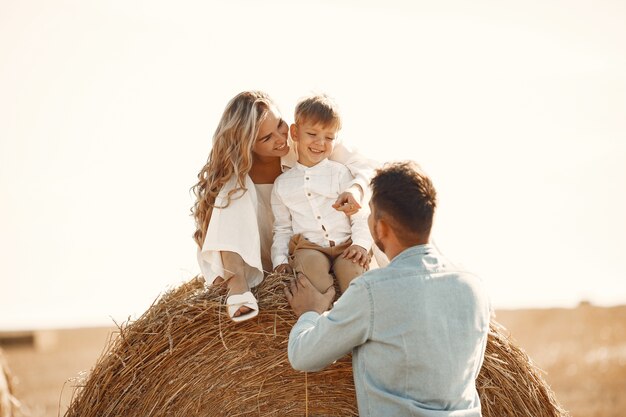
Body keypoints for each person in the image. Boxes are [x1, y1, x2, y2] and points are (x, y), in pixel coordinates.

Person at [284, 161, 491, 417]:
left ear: (380, 227)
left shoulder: (372, 291)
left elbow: (304, 356)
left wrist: (309, 312)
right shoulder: (473, 285)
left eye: (369, 213)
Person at [191, 91, 378, 322]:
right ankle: (237, 286)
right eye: (266, 138)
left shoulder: (311, 143)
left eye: (280, 125)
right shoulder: (237, 183)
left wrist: (355, 189)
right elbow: (219, 235)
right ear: (247, 145)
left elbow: (369, 168)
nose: (281, 139)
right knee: (231, 190)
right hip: (268, 256)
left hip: (324, 240)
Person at [271, 94, 372, 294]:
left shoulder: (340, 172)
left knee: (355, 277)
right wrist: (280, 261)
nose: (320, 143)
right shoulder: (282, 184)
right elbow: (282, 228)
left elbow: (359, 214)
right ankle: (324, 314)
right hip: (309, 248)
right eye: (312, 134)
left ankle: (355, 316)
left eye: (329, 137)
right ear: (295, 132)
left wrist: (361, 244)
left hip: (346, 246)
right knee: (312, 277)